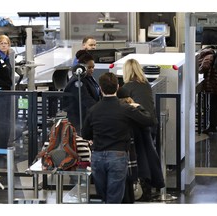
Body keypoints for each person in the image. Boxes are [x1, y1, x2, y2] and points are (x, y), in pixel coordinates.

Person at [81, 72, 154, 203]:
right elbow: (149, 120)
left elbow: (85, 134)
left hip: (97, 156)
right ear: (118, 87)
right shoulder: (126, 109)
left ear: (100, 88)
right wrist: (138, 107)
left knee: (103, 195)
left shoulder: (93, 110)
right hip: (118, 155)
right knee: (114, 196)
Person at [121, 58, 165, 201]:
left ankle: (143, 187)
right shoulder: (145, 84)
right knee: (150, 153)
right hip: (151, 123)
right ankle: (155, 183)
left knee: (140, 157)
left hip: (138, 126)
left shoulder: (127, 87)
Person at [63, 50, 101, 133]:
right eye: (89, 67)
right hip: (78, 120)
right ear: (81, 67)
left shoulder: (89, 78)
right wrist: (101, 109)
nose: (92, 70)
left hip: (88, 116)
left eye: (93, 67)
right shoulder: (77, 81)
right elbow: (86, 100)